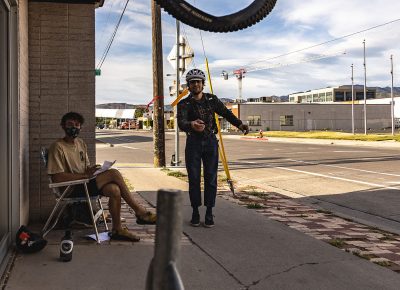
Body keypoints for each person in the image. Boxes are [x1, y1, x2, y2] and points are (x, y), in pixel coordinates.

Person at [47, 112, 156, 242]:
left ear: (81, 127)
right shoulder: (57, 147)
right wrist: (84, 175)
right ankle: (140, 211)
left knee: (114, 189)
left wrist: (93, 170)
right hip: (71, 189)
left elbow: (85, 169)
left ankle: (117, 229)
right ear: (63, 126)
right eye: (70, 124)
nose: (74, 127)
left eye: (77, 125)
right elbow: (57, 178)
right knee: (114, 173)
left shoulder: (81, 143)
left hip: (84, 183)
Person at [177, 68, 249, 228]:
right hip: (193, 144)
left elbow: (226, 113)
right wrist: (191, 125)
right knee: (194, 179)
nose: (196, 84)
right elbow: (181, 123)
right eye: (192, 82)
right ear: (188, 85)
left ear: (203, 84)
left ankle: (209, 211)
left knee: (211, 178)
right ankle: (195, 211)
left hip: (210, 142)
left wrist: (240, 124)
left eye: (198, 82)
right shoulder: (184, 104)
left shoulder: (212, 100)